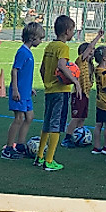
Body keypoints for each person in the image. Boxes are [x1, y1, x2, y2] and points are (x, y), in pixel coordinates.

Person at [36, 15, 82, 171]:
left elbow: (42, 69)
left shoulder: (49, 46)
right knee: (56, 125)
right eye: (73, 31)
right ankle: (49, 161)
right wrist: (75, 81)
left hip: (49, 90)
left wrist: (47, 83)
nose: (73, 34)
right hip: (60, 91)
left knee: (47, 123)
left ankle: (39, 156)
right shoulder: (63, 47)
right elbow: (62, 66)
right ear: (67, 31)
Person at [3, 22, 43, 160]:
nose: (41, 41)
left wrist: (29, 87)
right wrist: (15, 89)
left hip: (25, 93)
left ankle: (20, 144)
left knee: (29, 117)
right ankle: (8, 148)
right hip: (19, 93)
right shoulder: (22, 52)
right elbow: (15, 70)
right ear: (32, 38)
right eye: (40, 38)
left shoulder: (29, 53)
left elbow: (25, 74)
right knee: (18, 118)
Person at [65, 30, 104, 145]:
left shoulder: (90, 64)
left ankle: (78, 135)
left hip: (85, 94)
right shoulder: (80, 61)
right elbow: (90, 47)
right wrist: (98, 37)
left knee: (82, 117)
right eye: (90, 51)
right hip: (78, 93)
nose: (92, 52)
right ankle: (67, 137)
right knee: (76, 117)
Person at [92, 46, 106, 156]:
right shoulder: (105, 73)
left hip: (99, 101)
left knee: (98, 124)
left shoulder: (98, 69)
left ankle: (96, 147)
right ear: (104, 58)